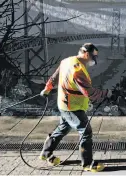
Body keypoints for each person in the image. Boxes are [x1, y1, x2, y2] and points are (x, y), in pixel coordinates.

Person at [39, 43, 113, 172]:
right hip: (73, 107)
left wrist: (47, 88)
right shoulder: (78, 70)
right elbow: (89, 93)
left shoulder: (66, 61)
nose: (93, 61)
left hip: (64, 103)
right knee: (86, 132)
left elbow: (54, 77)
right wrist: (106, 93)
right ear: (86, 54)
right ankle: (88, 164)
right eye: (93, 57)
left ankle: (46, 154)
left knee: (62, 129)